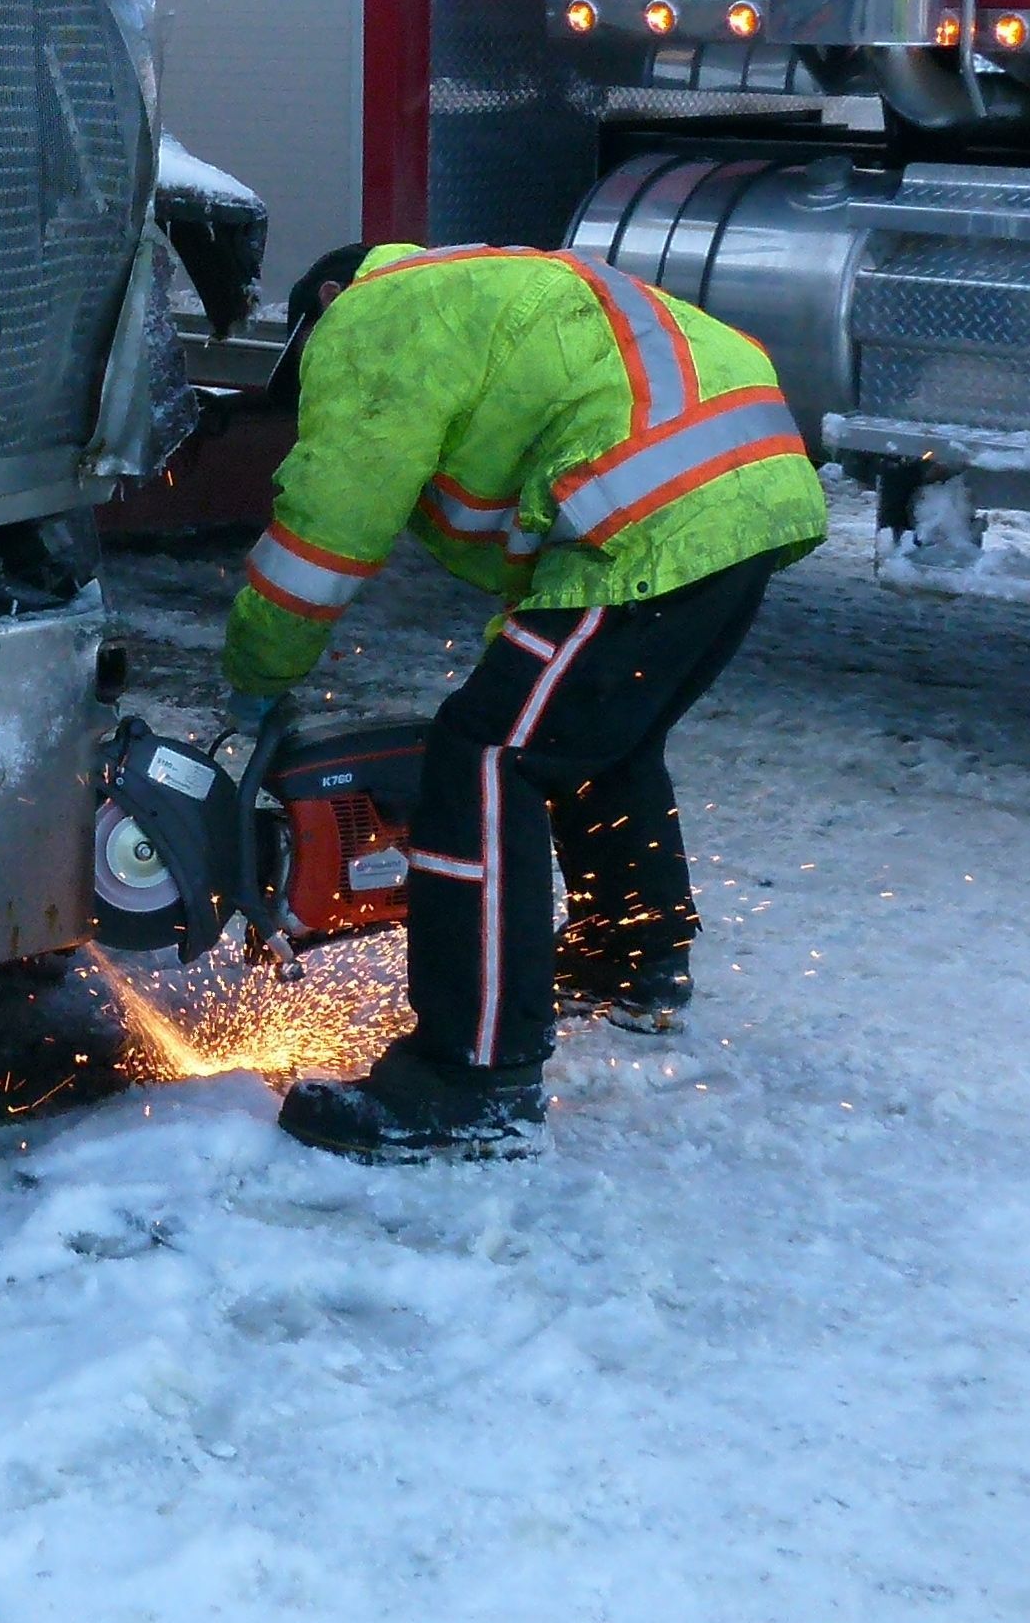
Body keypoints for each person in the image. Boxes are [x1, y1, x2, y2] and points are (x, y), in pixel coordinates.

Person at [224, 243, 826, 1157]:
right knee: (589, 738)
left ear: (330, 297)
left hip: (651, 508)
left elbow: (328, 526)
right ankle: (634, 964)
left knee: (488, 755)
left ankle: (472, 1080)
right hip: (748, 486)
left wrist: (259, 673)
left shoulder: (373, 318)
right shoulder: (485, 287)